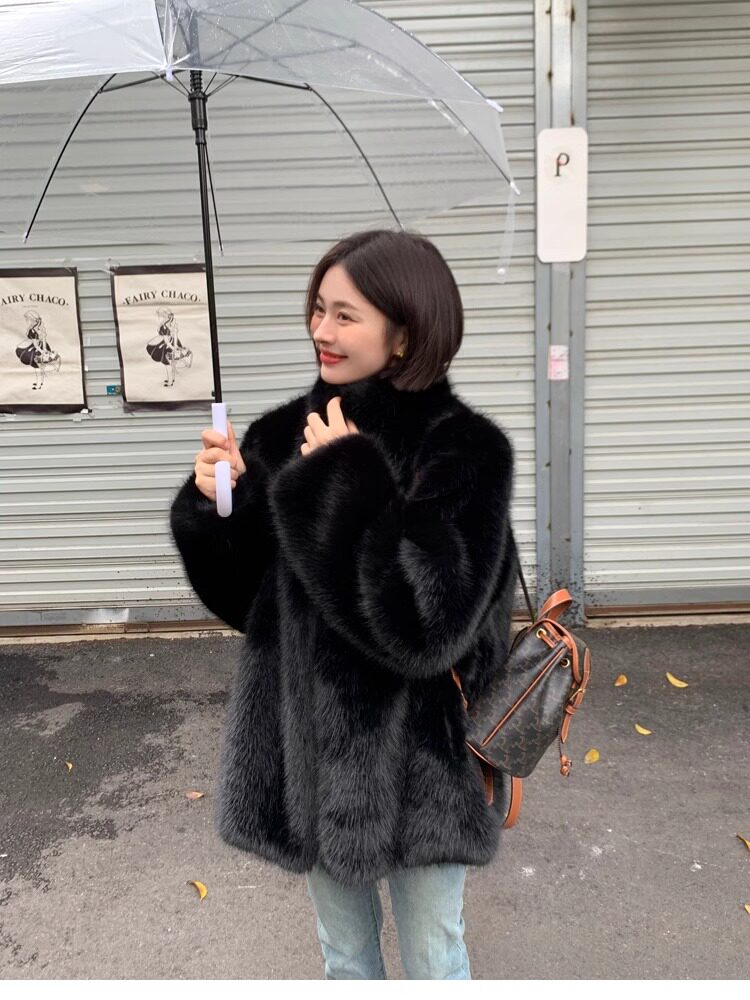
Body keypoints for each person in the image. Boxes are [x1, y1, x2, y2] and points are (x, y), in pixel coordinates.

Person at [169, 228, 519, 979]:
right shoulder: (279, 435)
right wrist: (221, 508)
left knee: (434, 961)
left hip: (422, 767)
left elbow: (426, 627)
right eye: (318, 308)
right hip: (308, 760)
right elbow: (248, 602)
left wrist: (341, 482)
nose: (320, 330)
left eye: (345, 314)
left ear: (405, 333)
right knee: (345, 961)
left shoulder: (462, 450)